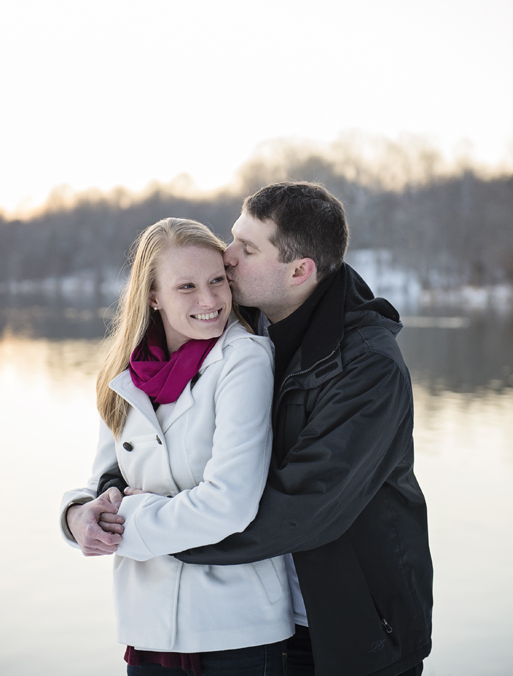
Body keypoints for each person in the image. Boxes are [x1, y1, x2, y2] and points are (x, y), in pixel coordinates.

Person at [173, 182, 433, 676]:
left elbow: (307, 507)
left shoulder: (368, 367)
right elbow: (156, 422)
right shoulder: (231, 330)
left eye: (247, 248)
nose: (225, 256)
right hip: (256, 623)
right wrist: (105, 495)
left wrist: (160, 536)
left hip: (356, 635)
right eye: (234, 238)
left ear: (299, 271)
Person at [60, 217, 295, 676]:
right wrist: (77, 518)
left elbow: (230, 503)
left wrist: (125, 518)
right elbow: (105, 483)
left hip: (237, 632)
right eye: (186, 286)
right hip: (146, 627)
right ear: (153, 296)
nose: (209, 301)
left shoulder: (242, 359)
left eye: (216, 282)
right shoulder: (125, 374)